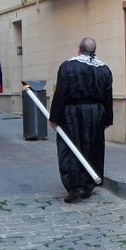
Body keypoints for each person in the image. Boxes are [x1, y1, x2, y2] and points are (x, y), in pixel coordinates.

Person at [48, 38, 113, 203]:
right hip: (96, 113)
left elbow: (60, 93)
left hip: (72, 113)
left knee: (70, 148)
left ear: (79, 50)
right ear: (94, 51)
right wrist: (107, 119)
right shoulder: (104, 69)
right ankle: (88, 185)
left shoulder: (68, 67)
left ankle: (74, 186)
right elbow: (108, 97)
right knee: (92, 148)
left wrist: (54, 117)